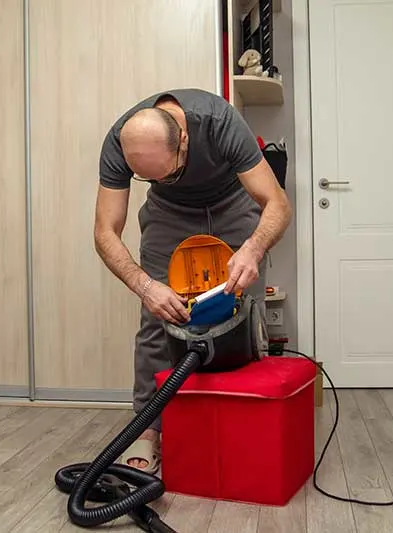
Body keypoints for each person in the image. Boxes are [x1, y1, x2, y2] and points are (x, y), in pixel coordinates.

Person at [95, 88, 291, 473]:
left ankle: (250, 417)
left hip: (232, 201)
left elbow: (277, 204)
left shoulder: (219, 122)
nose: (165, 179)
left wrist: (252, 249)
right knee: (157, 319)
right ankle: (148, 429)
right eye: (149, 177)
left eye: (171, 172)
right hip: (169, 214)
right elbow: (105, 232)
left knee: (244, 312)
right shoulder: (120, 141)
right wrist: (144, 285)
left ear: (184, 139)